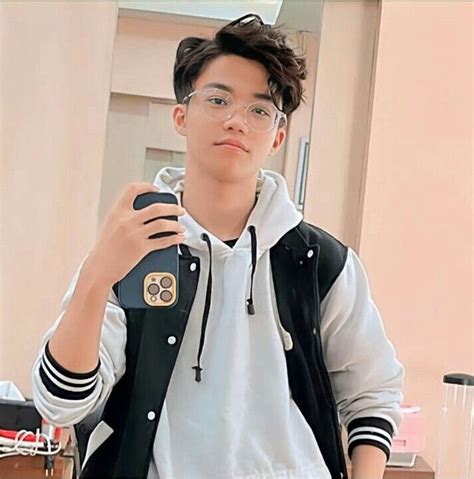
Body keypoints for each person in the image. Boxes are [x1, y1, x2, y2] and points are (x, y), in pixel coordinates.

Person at [32, 13, 404, 479]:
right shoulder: (133, 250)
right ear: (181, 117)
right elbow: (61, 402)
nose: (235, 121)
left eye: (259, 110)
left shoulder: (320, 263)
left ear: (278, 137)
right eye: (218, 99)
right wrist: (96, 274)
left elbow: (373, 394)